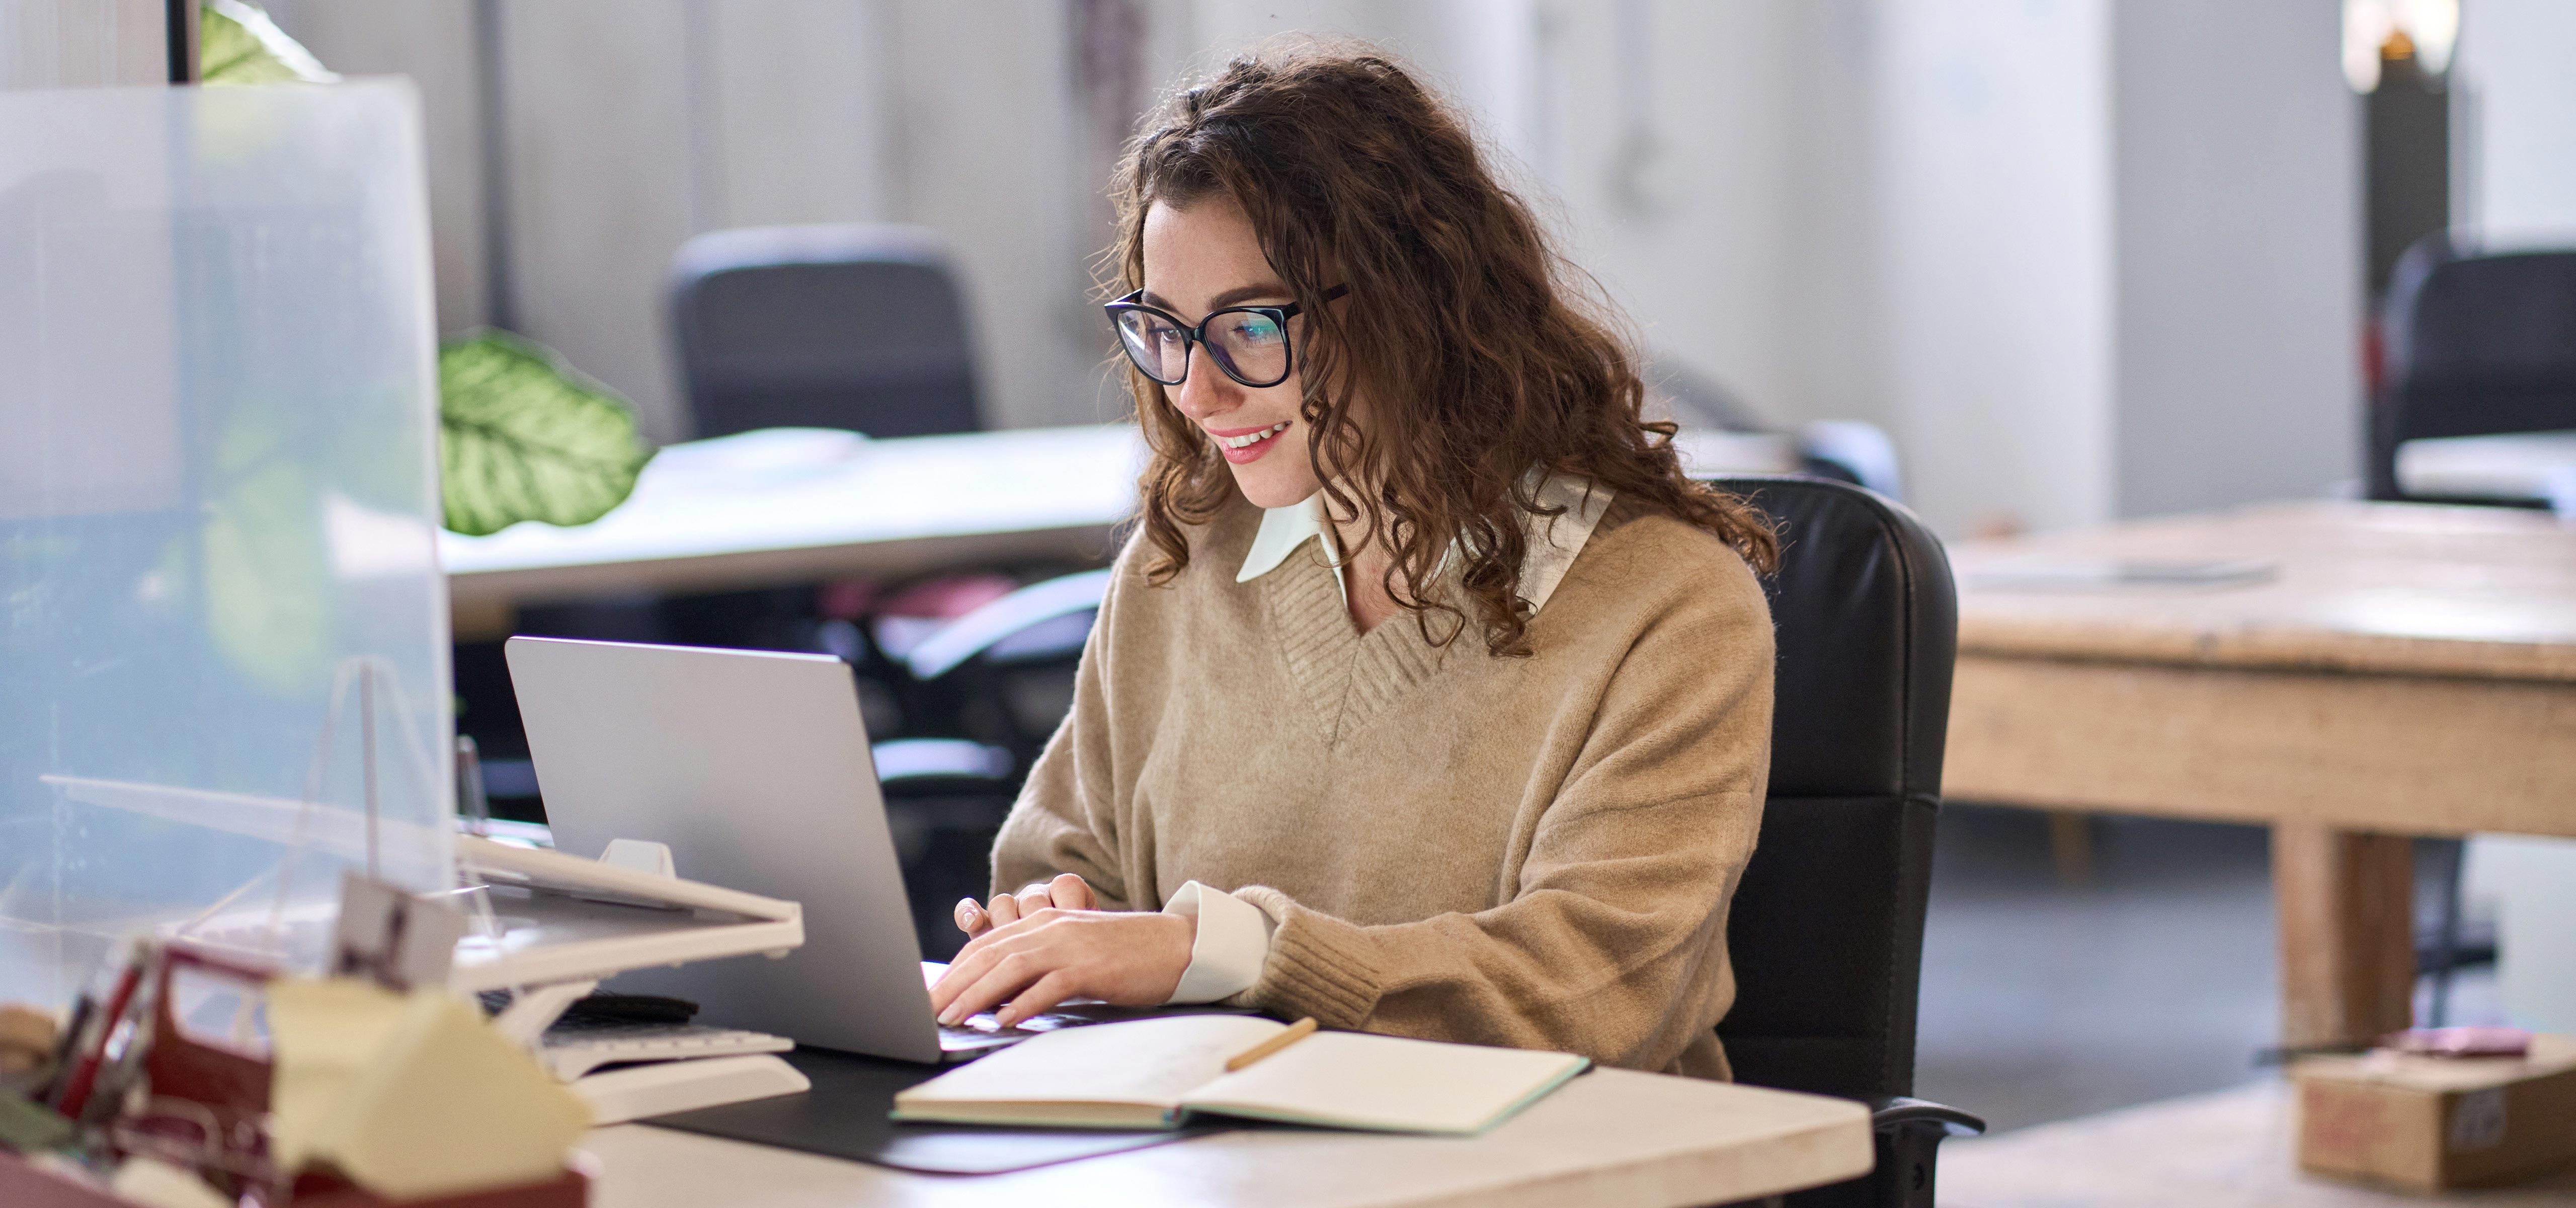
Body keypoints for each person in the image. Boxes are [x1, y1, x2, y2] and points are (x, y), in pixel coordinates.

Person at [926, 43, 1780, 1078]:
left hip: (1546, 1149)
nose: (1195, 392)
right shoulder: (1184, 558)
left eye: (1249, 327)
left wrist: (1216, 952)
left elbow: (1595, 988)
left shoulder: (1669, 606)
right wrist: (1054, 924)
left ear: (1415, 303)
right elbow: (1064, 861)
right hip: (1211, 1139)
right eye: (1165, 330)